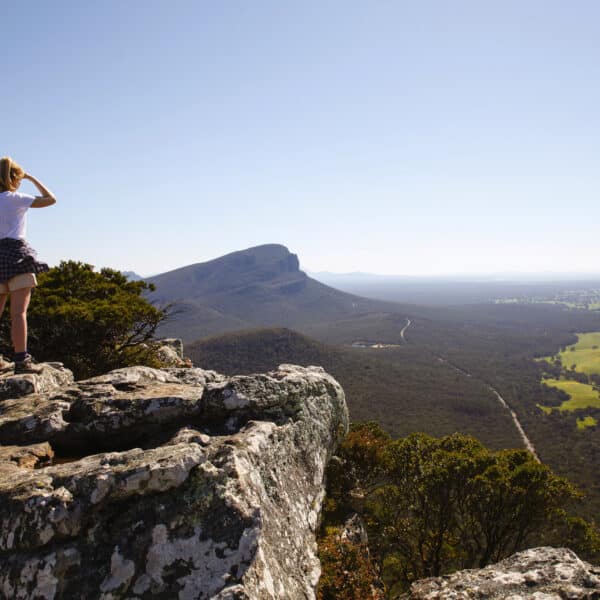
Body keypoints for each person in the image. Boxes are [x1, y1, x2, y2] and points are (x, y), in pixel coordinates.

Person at [0, 157, 56, 374]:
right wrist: (32, 178)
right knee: (18, 313)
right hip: (18, 256)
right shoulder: (16, 198)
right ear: (15, 177)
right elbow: (50, 199)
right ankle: (22, 360)